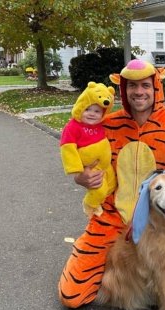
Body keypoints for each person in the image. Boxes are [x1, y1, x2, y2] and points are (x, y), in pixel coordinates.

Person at [58, 59, 165, 308]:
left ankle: (164, 273)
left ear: (156, 88)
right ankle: (124, 275)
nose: (139, 92)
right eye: (132, 86)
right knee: (71, 296)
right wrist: (81, 178)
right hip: (111, 219)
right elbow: (82, 158)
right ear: (124, 90)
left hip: (159, 220)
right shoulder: (106, 126)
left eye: (145, 85)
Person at [59, 81, 117, 218]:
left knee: (112, 185)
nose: (92, 114)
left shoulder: (100, 125)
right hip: (93, 168)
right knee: (99, 190)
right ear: (80, 107)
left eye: (97, 111)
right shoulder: (74, 126)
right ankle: (90, 205)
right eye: (87, 109)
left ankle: (105, 206)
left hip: (106, 166)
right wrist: (76, 169)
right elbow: (67, 147)